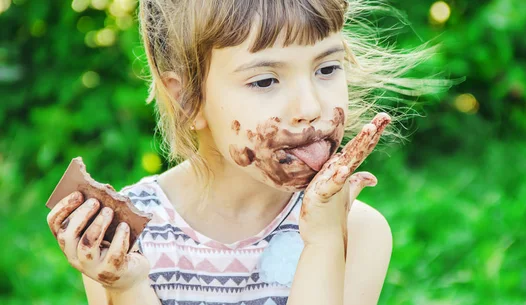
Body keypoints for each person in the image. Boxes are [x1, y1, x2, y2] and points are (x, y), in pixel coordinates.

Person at [46, 0, 454, 304]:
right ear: (188, 98)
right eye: (264, 81)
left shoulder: (357, 232)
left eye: (327, 69)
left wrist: (324, 242)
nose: (310, 108)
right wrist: (129, 286)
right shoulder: (124, 238)